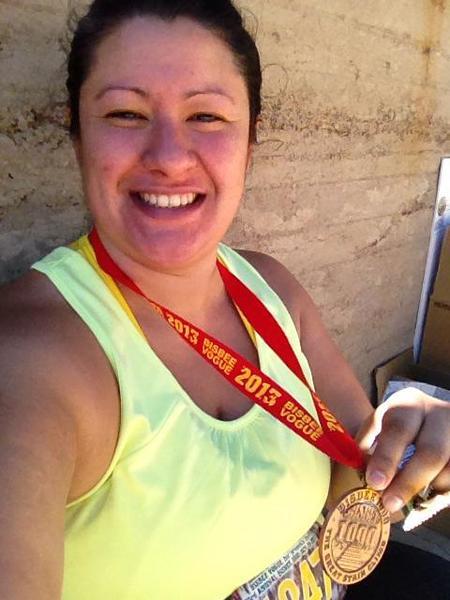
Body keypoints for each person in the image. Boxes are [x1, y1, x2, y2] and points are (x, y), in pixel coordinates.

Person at [0, 1, 448, 598]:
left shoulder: (273, 290)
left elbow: (356, 484)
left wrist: (410, 443)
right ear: (78, 139)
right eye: (126, 113)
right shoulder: (33, 362)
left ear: (250, 143)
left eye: (207, 116)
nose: (168, 157)